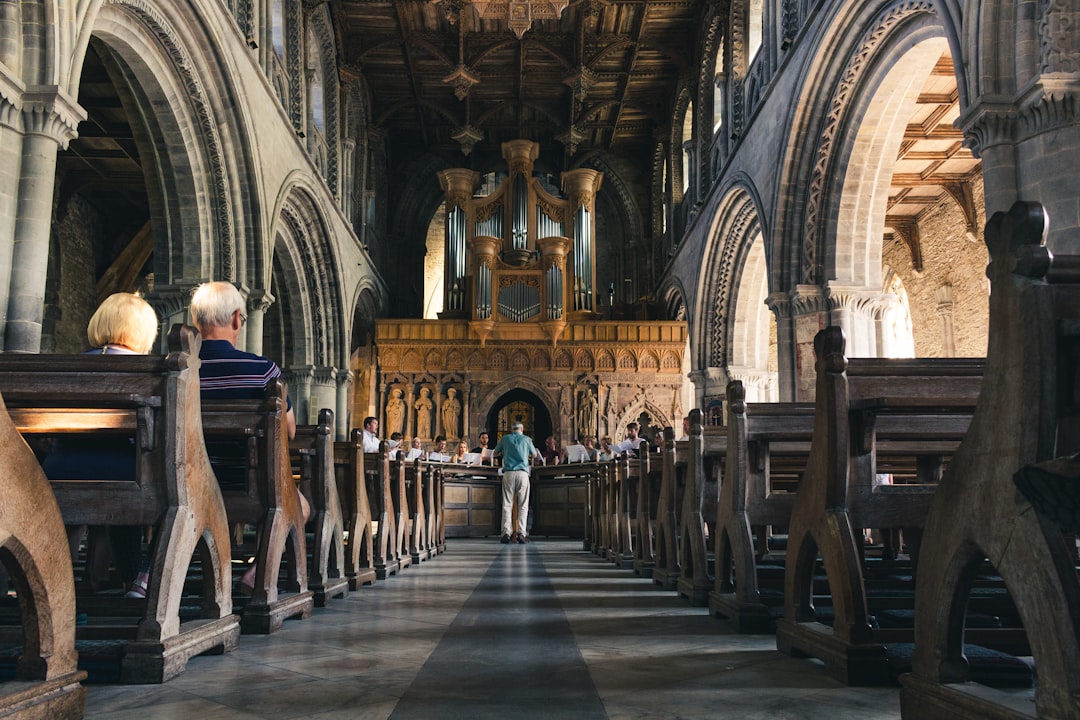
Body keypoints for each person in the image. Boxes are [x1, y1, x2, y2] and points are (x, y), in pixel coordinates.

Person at [189, 281, 308, 593]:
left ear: (195, 322)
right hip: (247, 484)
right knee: (301, 507)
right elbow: (289, 431)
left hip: (186, 481)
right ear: (237, 319)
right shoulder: (262, 370)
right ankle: (256, 574)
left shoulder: (177, 369)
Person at [41, 292, 160, 598]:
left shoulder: (68, 367)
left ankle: (49, 585)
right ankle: (137, 579)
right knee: (164, 485)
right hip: (124, 471)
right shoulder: (150, 370)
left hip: (59, 468)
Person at [492, 422, 540, 544]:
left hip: (508, 473)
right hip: (522, 473)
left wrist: (506, 452)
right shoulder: (527, 439)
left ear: (511, 430)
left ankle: (506, 533)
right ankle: (521, 533)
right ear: (522, 429)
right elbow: (534, 454)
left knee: (507, 504)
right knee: (523, 504)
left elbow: (495, 453)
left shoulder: (505, 438)